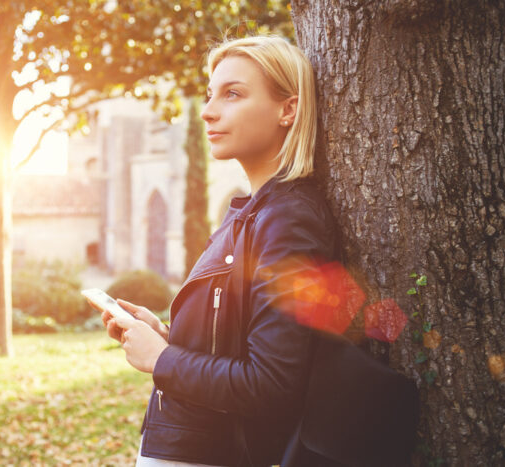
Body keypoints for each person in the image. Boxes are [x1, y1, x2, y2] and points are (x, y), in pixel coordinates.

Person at [99, 35, 339, 467]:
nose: (208, 111)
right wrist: (170, 336)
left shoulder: (288, 221)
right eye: (211, 95)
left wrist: (162, 360)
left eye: (233, 94)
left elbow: (271, 384)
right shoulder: (252, 213)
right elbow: (235, 346)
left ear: (289, 109)